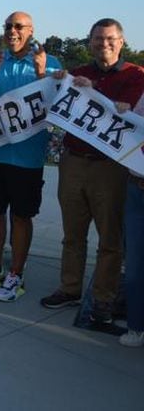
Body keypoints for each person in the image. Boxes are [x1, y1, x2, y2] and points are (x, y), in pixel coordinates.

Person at [40, 19, 144, 324]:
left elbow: (129, 111)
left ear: (122, 42)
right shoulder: (79, 73)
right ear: (90, 43)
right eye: (98, 39)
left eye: (110, 39)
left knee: (109, 238)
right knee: (72, 233)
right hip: (73, 160)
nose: (104, 44)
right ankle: (69, 287)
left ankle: (102, 297)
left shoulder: (135, 75)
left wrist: (94, 90)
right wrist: (61, 80)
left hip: (109, 167)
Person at [0, 11, 61, 302]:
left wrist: (43, 73)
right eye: (8, 26)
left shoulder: (48, 62)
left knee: (21, 217)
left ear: (31, 30)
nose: (12, 31)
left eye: (18, 27)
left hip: (27, 157)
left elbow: (57, 103)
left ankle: (16, 273)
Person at [122, 93, 144, 347]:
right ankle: (136, 326)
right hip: (136, 188)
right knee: (135, 268)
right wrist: (124, 109)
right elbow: (132, 124)